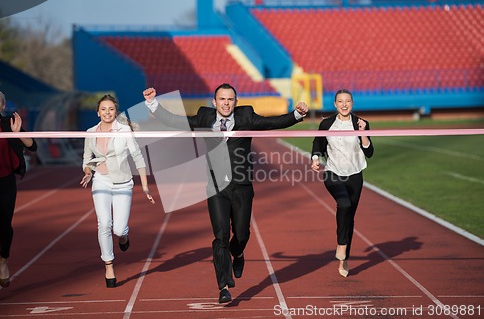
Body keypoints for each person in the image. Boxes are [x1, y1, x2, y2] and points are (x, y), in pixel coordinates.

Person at [143, 83, 308, 303]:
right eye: (222, 99)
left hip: (242, 186)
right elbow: (176, 121)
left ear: (236, 101)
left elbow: (272, 122)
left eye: (230, 99)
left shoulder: (247, 117)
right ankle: (223, 286)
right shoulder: (204, 117)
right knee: (220, 237)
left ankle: (238, 253)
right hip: (215, 188)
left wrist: (297, 114)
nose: (226, 103)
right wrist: (153, 103)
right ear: (215, 102)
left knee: (241, 234)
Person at [80, 94, 155, 288]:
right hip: (101, 181)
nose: (107, 112)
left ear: (116, 112)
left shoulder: (124, 131)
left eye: (111, 109)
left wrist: (145, 185)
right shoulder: (90, 132)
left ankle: (124, 235)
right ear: (98, 112)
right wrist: (88, 172)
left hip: (122, 182)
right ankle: (109, 265)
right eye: (103, 109)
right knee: (104, 224)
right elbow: (87, 159)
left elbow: (137, 157)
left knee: (118, 228)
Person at [310, 89, 374, 277]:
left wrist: (362, 133)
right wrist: (315, 158)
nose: (344, 104)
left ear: (352, 103)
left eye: (347, 101)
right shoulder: (326, 124)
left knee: (349, 217)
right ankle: (341, 244)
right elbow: (318, 144)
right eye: (340, 101)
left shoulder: (361, 123)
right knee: (343, 204)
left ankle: (343, 257)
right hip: (333, 173)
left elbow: (369, 152)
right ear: (335, 104)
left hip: (355, 174)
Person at [0, 89, 37, 297]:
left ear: (3, 106)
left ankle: (4, 261)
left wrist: (18, 134)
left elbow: (33, 146)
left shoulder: (8, 124)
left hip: (6, 181)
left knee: (5, 225)